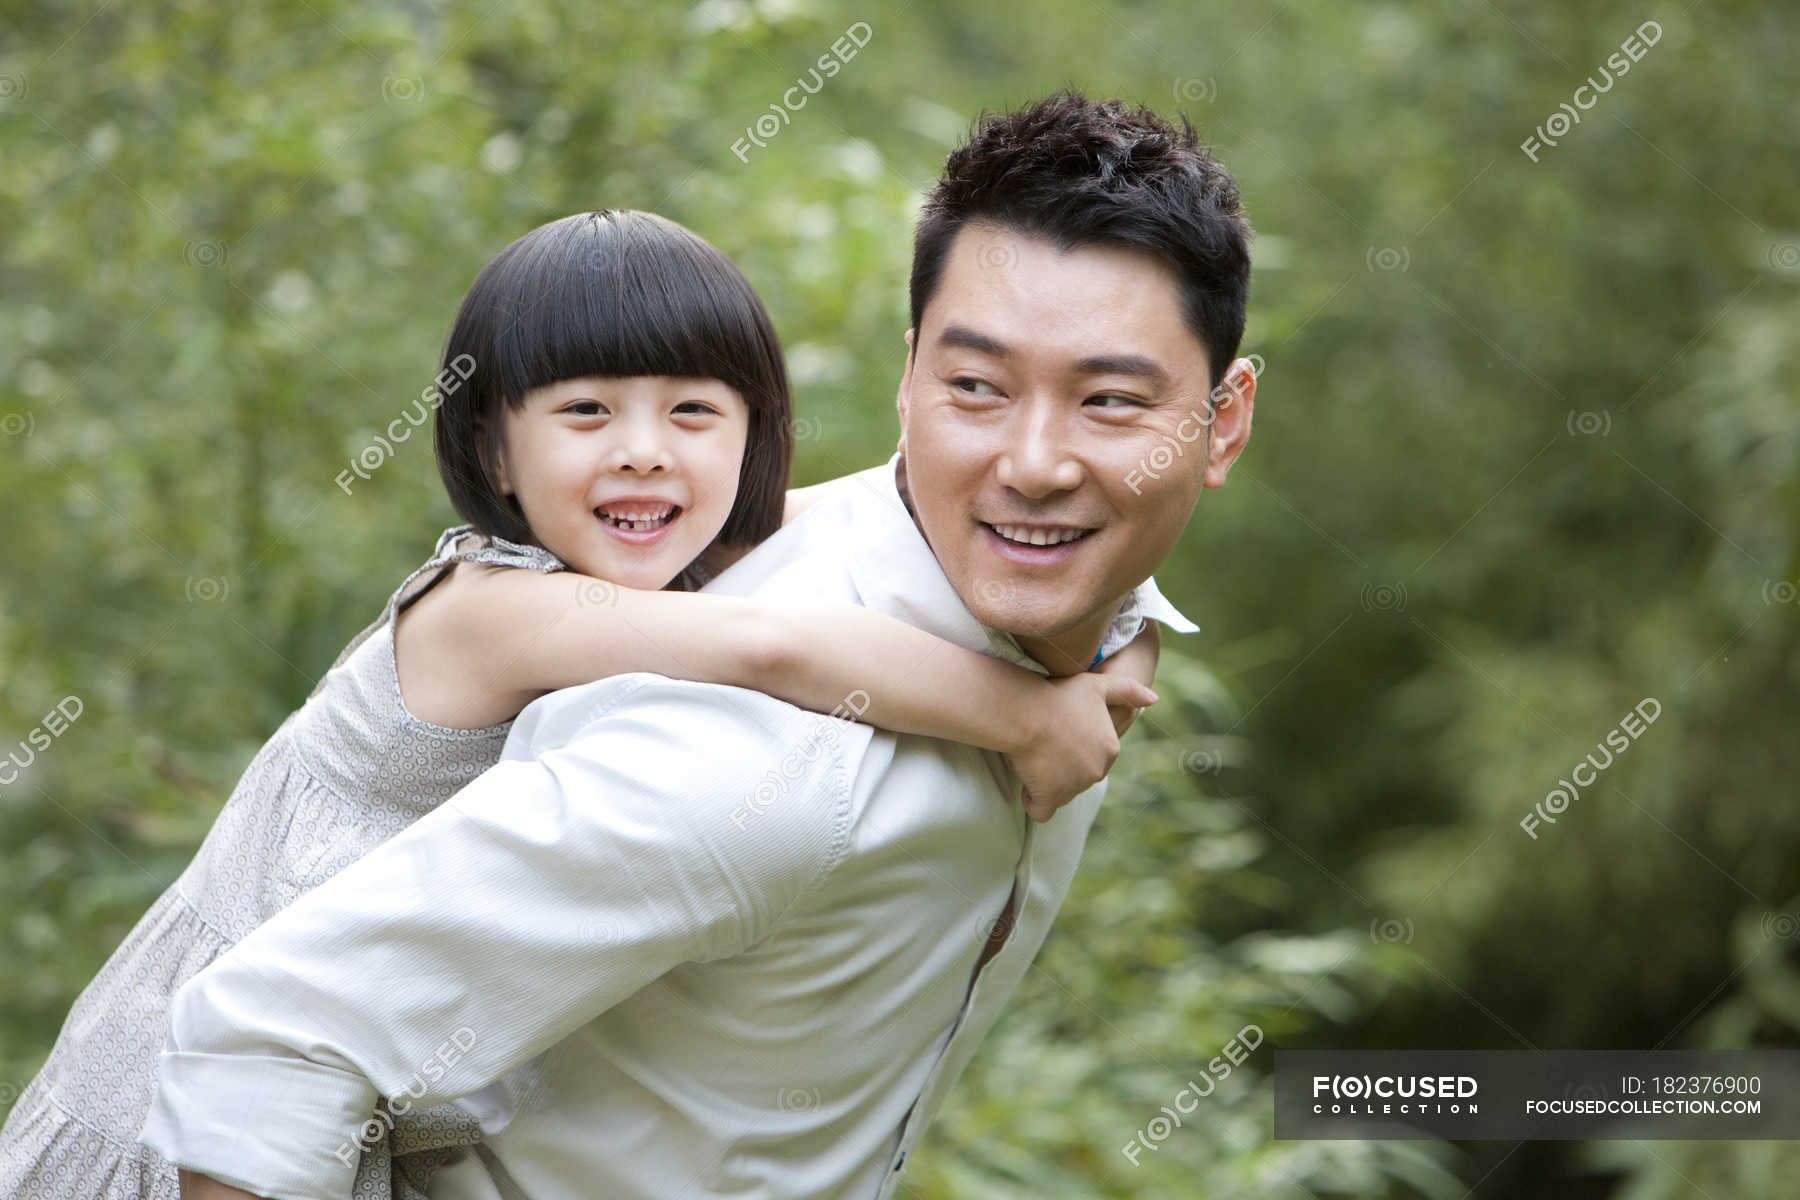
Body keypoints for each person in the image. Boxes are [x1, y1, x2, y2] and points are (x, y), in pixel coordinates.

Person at [144, 89, 1257, 1200]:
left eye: (1110, 401)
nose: (1035, 463)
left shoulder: (1059, 603)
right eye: (977, 387)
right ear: (909, 377)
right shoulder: (753, 758)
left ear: (1224, 423)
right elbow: (267, 1044)